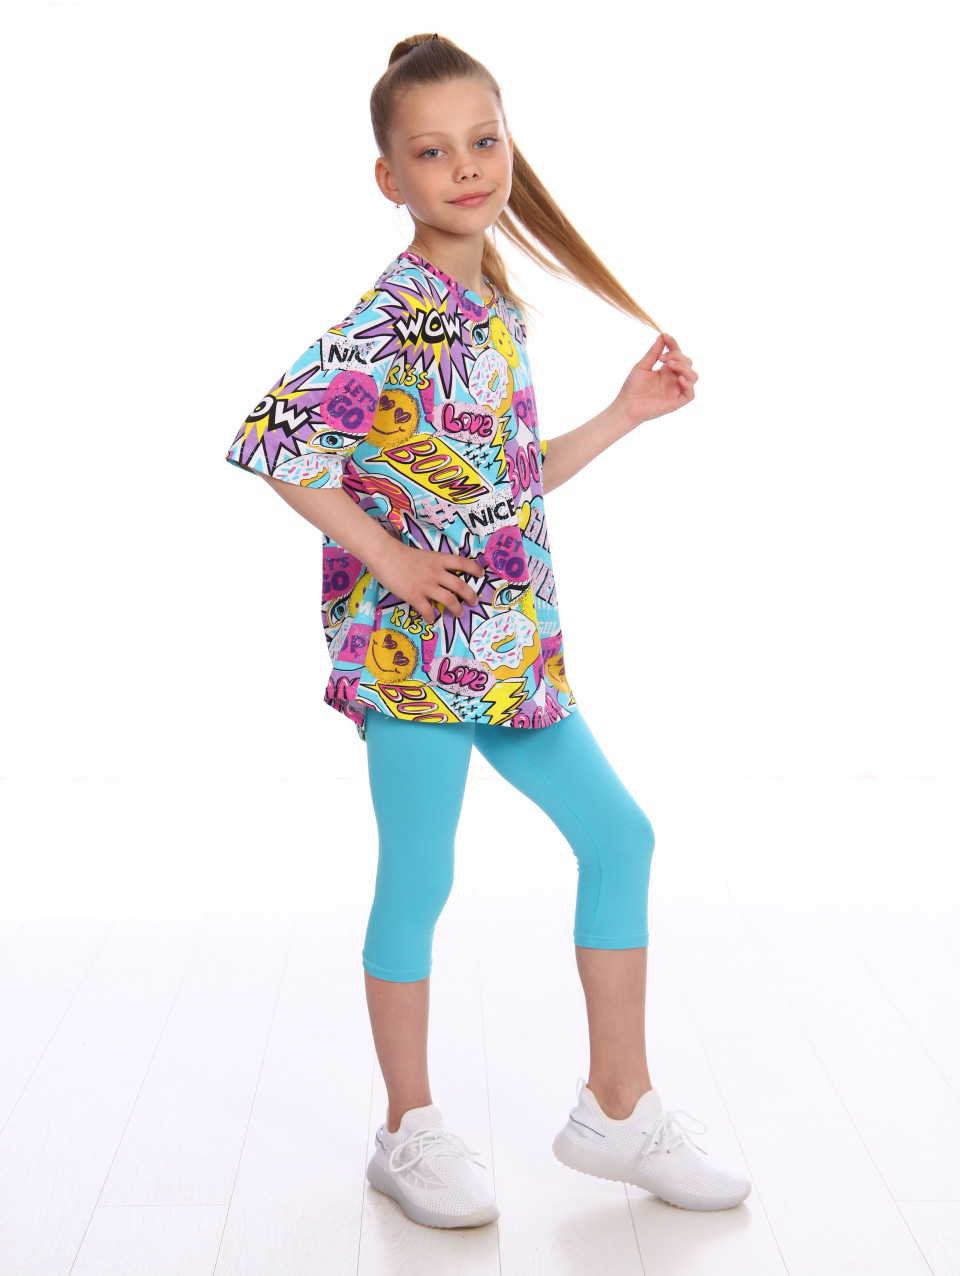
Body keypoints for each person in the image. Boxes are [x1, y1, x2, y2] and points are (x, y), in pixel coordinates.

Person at [224, 32, 752, 1230]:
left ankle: (617, 1109)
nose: (465, 167)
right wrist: (393, 561)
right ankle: (407, 1129)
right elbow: (276, 442)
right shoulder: (395, 313)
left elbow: (505, 482)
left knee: (619, 837)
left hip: (510, 648)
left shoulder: (492, 307)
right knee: (422, 875)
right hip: (416, 656)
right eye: (432, 152)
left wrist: (623, 414)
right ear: (390, 177)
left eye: (483, 140)